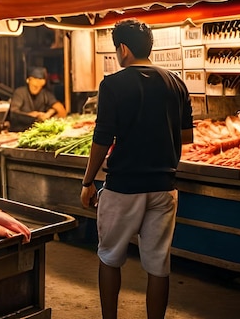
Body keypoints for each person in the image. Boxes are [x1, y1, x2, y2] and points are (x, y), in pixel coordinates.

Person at [80, 19, 194, 319]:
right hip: (164, 187)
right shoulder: (176, 83)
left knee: (109, 257)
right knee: (159, 264)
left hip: (123, 187)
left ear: (124, 49)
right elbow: (186, 136)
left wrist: (88, 181)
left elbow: (102, 139)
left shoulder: (113, 84)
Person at [9, 66, 67, 132]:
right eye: (34, 85)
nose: (36, 88)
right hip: (20, 130)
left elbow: (60, 108)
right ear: (28, 80)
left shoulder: (45, 93)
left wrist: (48, 114)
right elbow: (13, 113)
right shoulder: (20, 92)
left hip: (39, 130)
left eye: (39, 86)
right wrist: (30, 115)